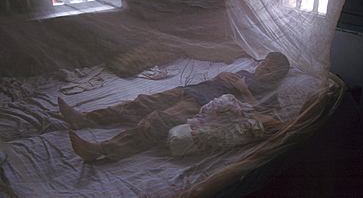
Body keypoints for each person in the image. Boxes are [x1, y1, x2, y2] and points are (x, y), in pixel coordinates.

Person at [59, 52, 290, 162]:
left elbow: (260, 114)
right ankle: (85, 118)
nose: (262, 69)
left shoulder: (269, 92)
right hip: (192, 89)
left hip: (203, 103)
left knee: (157, 120)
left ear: (277, 77)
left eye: (269, 70)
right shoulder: (244, 71)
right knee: (140, 102)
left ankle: (101, 150)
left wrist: (242, 89)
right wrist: (221, 74)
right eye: (263, 64)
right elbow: (215, 80)